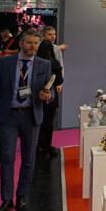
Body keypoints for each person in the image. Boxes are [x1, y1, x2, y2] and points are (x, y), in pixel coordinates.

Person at [0, 30, 55, 211]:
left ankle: (21, 195)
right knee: (7, 156)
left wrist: (47, 96)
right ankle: (7, 198)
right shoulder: (4, 62)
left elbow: (51, 92)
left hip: (31, 116)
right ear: (21, 43)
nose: (33, 47)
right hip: (8, 116)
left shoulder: (44, 64)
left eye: (36, 43)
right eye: (29, 43)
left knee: (28, 159)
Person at [36, 27, 65, 157]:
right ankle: (45, 145)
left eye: (54, 34)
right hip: (48, 93)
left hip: (41, 93)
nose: (53, 36)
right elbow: (59, 77)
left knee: (41, 121)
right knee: (47, 121)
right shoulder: (53, 61)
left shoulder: (37, 61)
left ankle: (39, 145)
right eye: (49, 34)